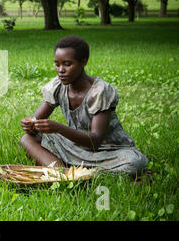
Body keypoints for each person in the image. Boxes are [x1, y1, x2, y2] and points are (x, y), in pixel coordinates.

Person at [20, 36, 148, 176]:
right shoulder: (58, 86)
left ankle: (75, 171)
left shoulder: (99, 91)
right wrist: (30, 125)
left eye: (67, 64)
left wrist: (58, 128)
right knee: (27, 139)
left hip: (108, 151)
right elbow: (35, 122)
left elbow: (95, 141)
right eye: (57, 64)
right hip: (75, 147)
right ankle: (63, 174)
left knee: (134, 163)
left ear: (83, 62)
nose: (61, 70)